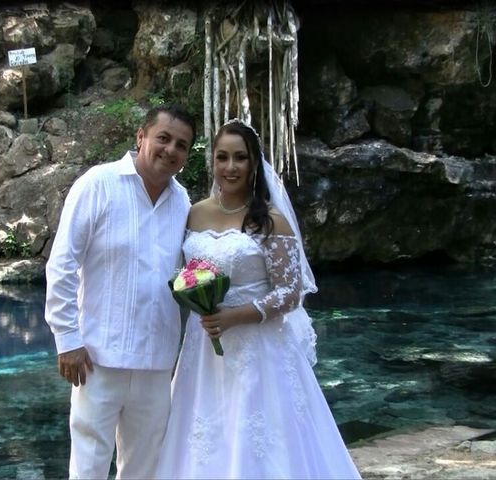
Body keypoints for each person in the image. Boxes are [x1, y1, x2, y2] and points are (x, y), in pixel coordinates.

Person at [155, 118, 361, 479]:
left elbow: (289, 293)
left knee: (260, 437)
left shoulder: (271, 221)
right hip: (203, 349)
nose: (230, 167)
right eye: (222, 157)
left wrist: (235, 316)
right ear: (212, 162)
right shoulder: (195, 212)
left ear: (253, 164)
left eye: (240, 158)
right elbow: (183, 273)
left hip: (258, 349)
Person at [44, 104, 196, 480]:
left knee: (144, 469)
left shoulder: (183, 202)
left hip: (157, 362)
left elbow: (187, 274)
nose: (171, 150)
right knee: (89, 466)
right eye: (163, 138)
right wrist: (67, 339)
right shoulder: (98, 184)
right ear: (141, 137)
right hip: (96, 358)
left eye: (182, 145)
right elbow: (61, 265)